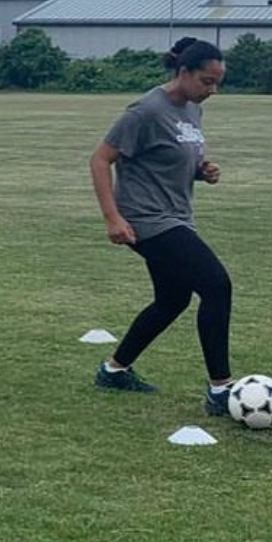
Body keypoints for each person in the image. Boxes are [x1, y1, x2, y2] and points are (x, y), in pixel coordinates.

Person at [90, 36, 235, 415]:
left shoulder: (192, 109)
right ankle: (221, 390)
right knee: (216, 286)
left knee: (173, 299)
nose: (213, 90)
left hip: (176, 216)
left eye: (218, 82)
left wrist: (203, 171)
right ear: (184, 72)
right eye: (207, 81)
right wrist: (113, 218)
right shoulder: (146, 111)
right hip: (146, 220)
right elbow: (101, 160)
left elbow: (173, 158)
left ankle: (114, 370)